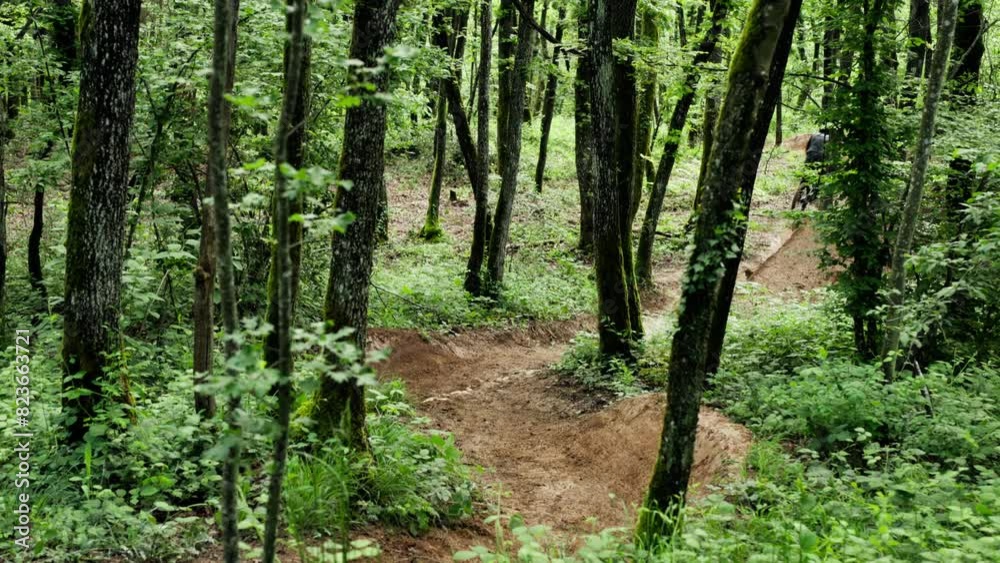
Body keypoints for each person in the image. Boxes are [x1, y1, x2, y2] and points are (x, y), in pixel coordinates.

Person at [792, 131, 829, 210]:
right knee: (821, 176)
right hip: (821, 156)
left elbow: (807, 148)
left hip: (810, 154)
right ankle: (814, 194)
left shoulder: (815, 135)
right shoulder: (829, 138)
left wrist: (808, 158)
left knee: (806, 174)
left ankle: (800, 191)